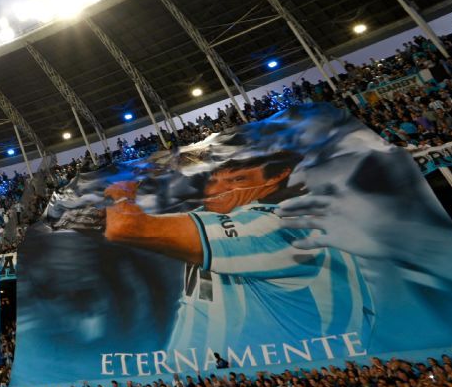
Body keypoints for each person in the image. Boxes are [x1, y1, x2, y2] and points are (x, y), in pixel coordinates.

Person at [80, 151, 374, 356]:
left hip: (278, 384)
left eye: (237, 179)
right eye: (215, 179)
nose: (216, 189)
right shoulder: (230, 216)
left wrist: (121, 192)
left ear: (277, 177)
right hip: (208, 382)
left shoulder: (276, 224)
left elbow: (126, 228)